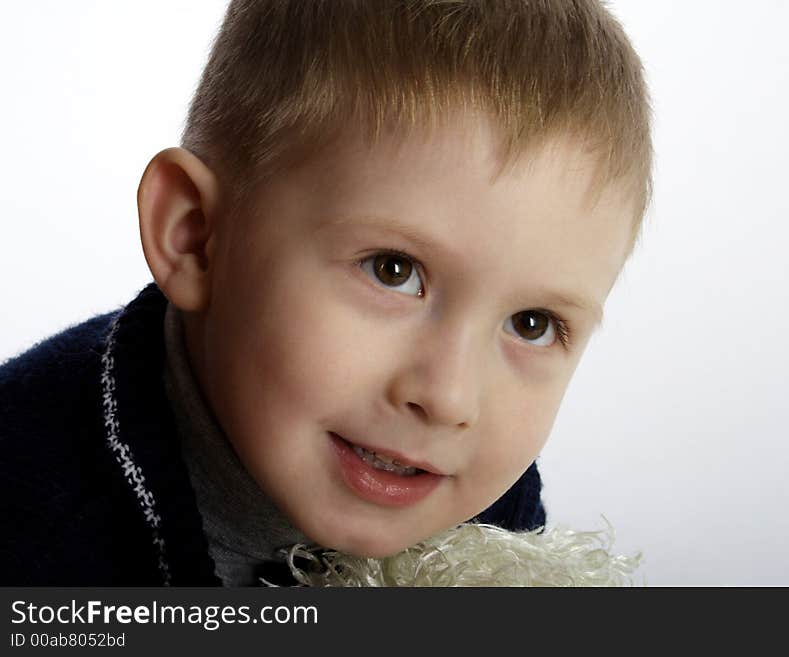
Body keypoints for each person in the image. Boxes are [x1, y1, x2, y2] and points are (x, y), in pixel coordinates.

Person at [0, 0, 652, 586]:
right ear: (195, 236)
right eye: (393, 270)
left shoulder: (469, 498)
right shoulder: (34, 518)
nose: (451, 396)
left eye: (532, 323)